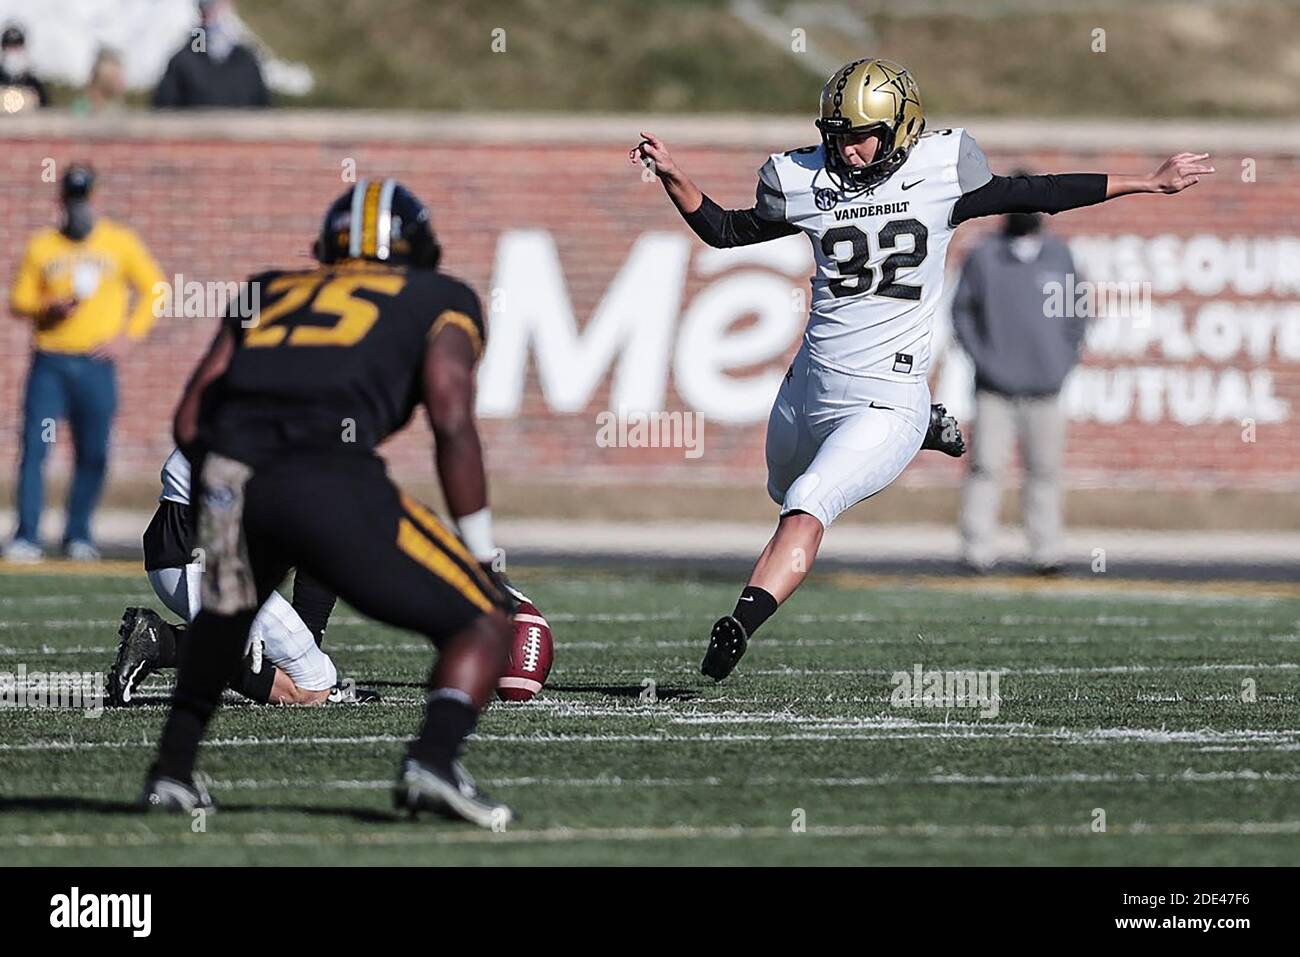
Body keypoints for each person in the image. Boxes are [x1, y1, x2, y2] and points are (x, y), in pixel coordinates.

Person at [631, 57, 1213, 681]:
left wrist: (1148, 182)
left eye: (859, 134)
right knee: (782, 484)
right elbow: (724, 231)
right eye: (837, 133)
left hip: (886, 397)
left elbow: (1040, 191)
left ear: (899, 129)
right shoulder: (802, 178)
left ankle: (740, 622)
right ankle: (928, 426)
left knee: (804, 505)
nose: (846, 149)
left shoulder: (940, 171)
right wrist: (674, 176)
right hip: (809, 385)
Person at [142, 179, 520, 829]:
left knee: (226, 621)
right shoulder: (442, 298)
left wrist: (228, 493)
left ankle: (172, 771)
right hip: (331, 480)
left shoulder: (268, 288)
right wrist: (484, 550)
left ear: (326, 246)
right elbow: (452, 417)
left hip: (238, 483)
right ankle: (432, 758)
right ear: (420, 248)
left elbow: (188, 417)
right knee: (486, 615)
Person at [107, 447, 379, 707]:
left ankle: (166, 640)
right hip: (201, 550)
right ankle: (162, 643)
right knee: (312, 688)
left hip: (173, 543)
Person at [7, 165, 165, 562]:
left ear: (97, 199)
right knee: (36, 448)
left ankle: (78, 533)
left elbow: (156, 290)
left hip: (96, 366)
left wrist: (129, 336)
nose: (79, 208)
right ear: (61, 201)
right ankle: (27, 535)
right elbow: (18, 300)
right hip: (51, 363)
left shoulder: (119, 242)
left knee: (93, 450)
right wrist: (49, 306)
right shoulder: (43, 246)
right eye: (72, 199)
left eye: (85, 198)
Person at [952, 196, 1087, 574]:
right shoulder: (984, 256)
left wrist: (1061, 363)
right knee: (985, 467)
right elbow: (961, 313)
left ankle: (1046, 552)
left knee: (1044, 471)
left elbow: (1078, 314)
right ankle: (976, 551)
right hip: (994, 388)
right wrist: (985, 360)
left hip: (1046, 387)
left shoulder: (1060, 256)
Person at [152, 0, 269, 109]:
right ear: (201, 14)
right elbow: (164, 111)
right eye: (213, 10)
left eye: (223, 7)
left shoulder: (246, 59)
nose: (221, 16)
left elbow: (263, 109)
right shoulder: (183, 61)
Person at [0, 23, 49, 110]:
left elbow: (46, 111)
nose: (13, 52)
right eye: (10, 47)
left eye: (17, 46)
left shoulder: (35, 85)